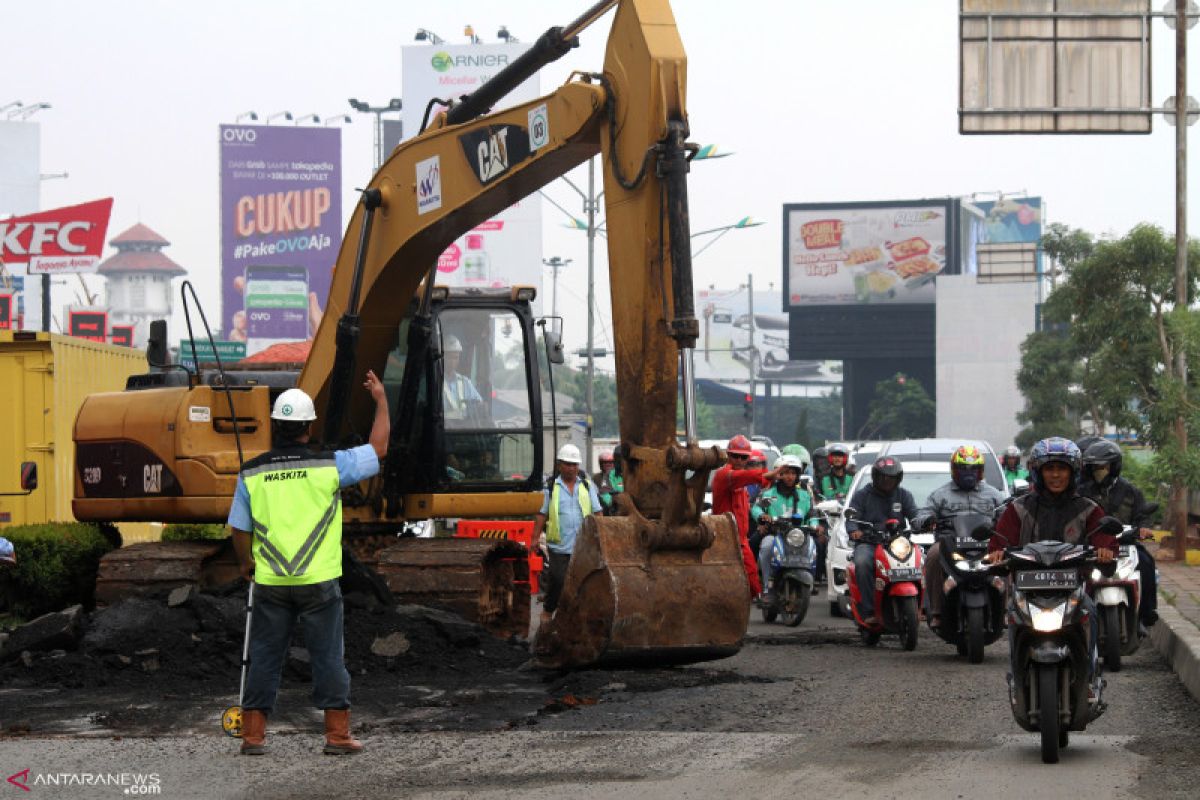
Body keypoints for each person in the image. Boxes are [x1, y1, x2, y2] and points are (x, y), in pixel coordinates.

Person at [228, 372, 390, 757]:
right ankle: (336, 737)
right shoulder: (328, 465)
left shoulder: (252, 471)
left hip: (270, 581)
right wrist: (381, 400)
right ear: (309, 425)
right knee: (328, 656)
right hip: (318, 581)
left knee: (264, 655)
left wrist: (245, 564)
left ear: (275, 425)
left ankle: (252, 737)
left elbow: (238, 527)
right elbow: (378, 448)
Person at [985, 437, 1117, 684]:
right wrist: (997, 553)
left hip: (1074, 590)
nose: (1056, 475)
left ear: (1073, 472)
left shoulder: (1089, 509)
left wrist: (1105, 551)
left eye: (1062, 469)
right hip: (1028, 591)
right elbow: (999, 542)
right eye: (1049, 469)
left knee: (1090, 612)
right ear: (1038, 472)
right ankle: (1017, 675)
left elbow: (1106, 540)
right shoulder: (1018, 509)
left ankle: (1089, 676)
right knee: (1013, 616)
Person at [913, 445, 1006, 630]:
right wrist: (927, 521)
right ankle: (937, 611)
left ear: (980, 471)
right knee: (932, 556)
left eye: (973, 468)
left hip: (985, 545)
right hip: (950, 545)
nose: (968, 473)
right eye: (964, 468)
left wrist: (1003, 527)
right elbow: (920, 516)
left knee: (1007, 557)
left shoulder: (994, 494)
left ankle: (1005, 610)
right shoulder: (940, 495)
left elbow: (1007, 516)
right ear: (954, 470)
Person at [1079, 439, 1158, 633]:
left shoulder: (1131, 491)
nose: (1099, 470)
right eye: (1095, 467)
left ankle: (1145, 614)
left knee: (1147, 563)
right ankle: (1076, 615)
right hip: (1093, 546)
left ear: (1114, 466)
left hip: (1126, 542)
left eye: (1103, 466)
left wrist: (1144, 529)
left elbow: (1142, 516)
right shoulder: (1081, 492)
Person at [533, 444, 603, 628]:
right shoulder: (551, 487)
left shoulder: (587, 486)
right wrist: (534, 538)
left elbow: (598, 512)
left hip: (583, 544)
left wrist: (601, 536)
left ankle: (576, 616)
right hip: (560, 544)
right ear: (559, 465)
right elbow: (542, 514)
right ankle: (548, 611)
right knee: (557, 579)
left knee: (582, 581)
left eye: (575, 464)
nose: (572, 468)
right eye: (568, 464)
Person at [845, 456, 918, 622]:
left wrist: (922, 523)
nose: (887, 481)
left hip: (897, 544)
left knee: (921, 560)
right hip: (869, 543)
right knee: (862, 562)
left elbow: (915, 514)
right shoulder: (862, 495)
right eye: (883, 477)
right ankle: (869, 610)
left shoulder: (904, 495)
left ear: (898, 478)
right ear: (875, 476)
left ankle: (923, 607)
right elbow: (852, 518)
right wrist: (854, 531)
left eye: (891, 478)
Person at [711, 434, 780, 597]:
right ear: (728, 456)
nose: (739, 460)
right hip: (725, 539)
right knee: (725, 582)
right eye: (735, 456)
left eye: (743, 457)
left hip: (741, 540)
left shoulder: (744, 484)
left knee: (753, 585)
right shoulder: (724, 475)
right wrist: (764, 475)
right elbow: (739, 477)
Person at [751, 455, 816, 603]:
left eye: (793, 473)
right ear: (779, 474)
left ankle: (811, 578)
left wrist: (815, 524)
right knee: (767, 546)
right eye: (786, 473)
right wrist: (762, 516)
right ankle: (768, 586)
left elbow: (812, 514)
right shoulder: (768, 493)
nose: (789, 477)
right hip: (775, 534)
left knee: (814, 546)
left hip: (798, 536)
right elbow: (756, 508)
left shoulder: (805, 495)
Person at [441, 334, 483, 425]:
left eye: (455, 358)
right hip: (443, 430)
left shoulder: (465, 382)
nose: (452, 361)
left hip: (463, 429)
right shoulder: (435, 382)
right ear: (442, 358)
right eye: (449, 357)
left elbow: (478, 403)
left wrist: (482, 406)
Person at [594, 448, 624, 514]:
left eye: (610, 462)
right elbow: (605, 494)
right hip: (611, 510)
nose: (608, 464)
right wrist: (614, 504)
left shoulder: (632, 473)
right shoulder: (597, 477)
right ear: (600, 464)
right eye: (605, 462)